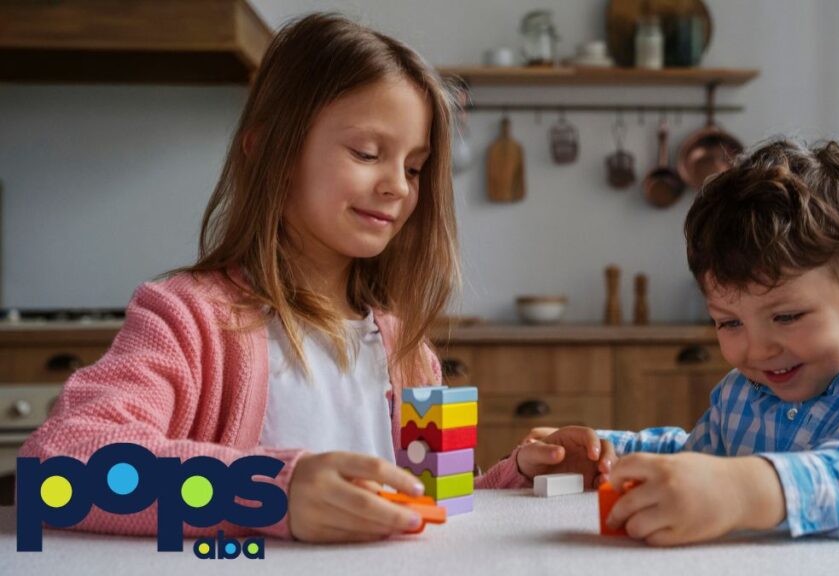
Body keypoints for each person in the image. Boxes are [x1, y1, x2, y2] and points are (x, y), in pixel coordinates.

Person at [18, 13, 607, 544]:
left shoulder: (404, 347)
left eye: (414, 167)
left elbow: (420, 500)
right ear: (270, 151)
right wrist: (275, 492)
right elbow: (60, 470)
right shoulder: (187, 319)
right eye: (367, 152)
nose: (398, 187)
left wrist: (520, 475)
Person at [523, 139, 839, 546]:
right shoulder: (744, 392)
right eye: (729, 323)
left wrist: (749, 489)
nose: (755, 350)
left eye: (787, 316)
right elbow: (698, 459)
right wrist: (605, 456)